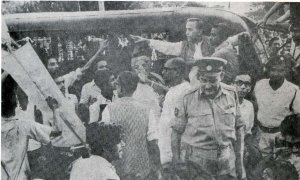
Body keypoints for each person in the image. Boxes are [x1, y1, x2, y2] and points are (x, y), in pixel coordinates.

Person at [171, 57, 245, 180]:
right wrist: (177, 161)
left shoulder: (232, 94)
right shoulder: (187, 98)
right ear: (199, 77)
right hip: (197, 164)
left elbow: (239, 128)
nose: (208, 86)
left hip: (226, 163)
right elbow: (176, 132)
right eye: (204, 80)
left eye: (212, 80)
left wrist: (239, 161)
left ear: (222, 76)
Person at [1, 74, 60, 180]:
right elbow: (57, 131)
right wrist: (55, 109)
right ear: (16, 104)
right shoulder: (23, 125)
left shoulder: (23, 124)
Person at [101, 71, 156, 180]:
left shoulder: (109, 109)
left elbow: (105, 141)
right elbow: (153, 142)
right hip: (141, 168)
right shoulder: (147, 109)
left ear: (120, 87)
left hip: (117, 168)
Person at [254, 55, 300, 158]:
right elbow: (255, 107)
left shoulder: (293, 90)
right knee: (263, 163)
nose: (276, 74)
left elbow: (297, 115)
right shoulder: (259, 85)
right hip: (261, 133)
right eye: (273, 70)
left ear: (285, 71)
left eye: (281, 70)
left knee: (280, 165)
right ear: (268, 70)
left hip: (281, 135)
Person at [158, 57, 191, 179]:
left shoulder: (186, 90)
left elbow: (180, 125)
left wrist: (176, 156)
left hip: (175, 150)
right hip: (165, 147)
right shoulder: (173, 89)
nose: (163, 72)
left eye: (166, 70)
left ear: (177, 72)